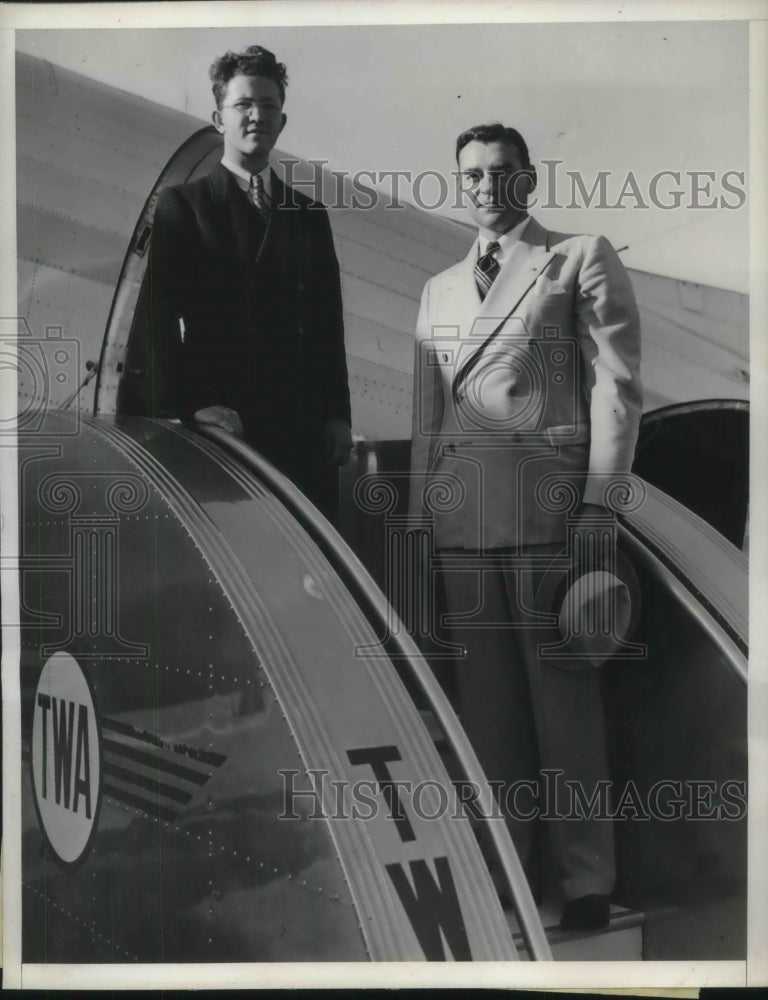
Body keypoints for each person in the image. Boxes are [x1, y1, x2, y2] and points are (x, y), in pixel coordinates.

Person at [408, 123, 643, 930]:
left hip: (548, 516)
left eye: (501, 172)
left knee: (565, 709)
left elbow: (617, 390)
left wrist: (598, 508)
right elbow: (427, 421)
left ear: (528, 178)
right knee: (490, 717)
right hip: (462, 524)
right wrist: (418, 528)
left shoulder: (579, 256)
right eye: (471, 174)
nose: (486, 186)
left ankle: (586, 884)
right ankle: (509, 872)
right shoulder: (437, 289)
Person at [146, 45, 352, 523]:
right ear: (219, 117)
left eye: (269, 105)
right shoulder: (184, 206)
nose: (257, 115)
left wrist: (338, 414)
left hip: (302, 432)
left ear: (282, 120)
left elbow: (328, 321)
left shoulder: (309, 215)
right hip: (227, 427)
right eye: (243, 105)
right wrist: (190, 406)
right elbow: (157, 317)